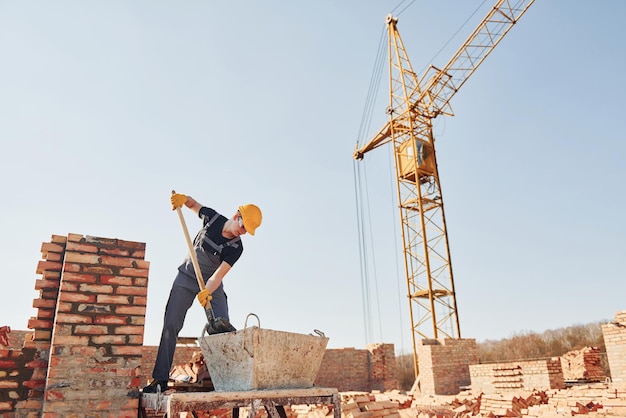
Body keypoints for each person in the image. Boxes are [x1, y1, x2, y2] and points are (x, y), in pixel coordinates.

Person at [142, 192, 262, 394]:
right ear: (236, 216)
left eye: (247, 231)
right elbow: (193, 204)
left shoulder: (236, 248)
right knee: (171, 324)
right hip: (186, 278)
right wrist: (182, 199)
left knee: (224, 328)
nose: (243, 232)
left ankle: (227, 381)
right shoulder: (213, 218)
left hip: (211, 285)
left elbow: (218, 275)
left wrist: (207, 291)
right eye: (243, 226)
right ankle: (160, 380)